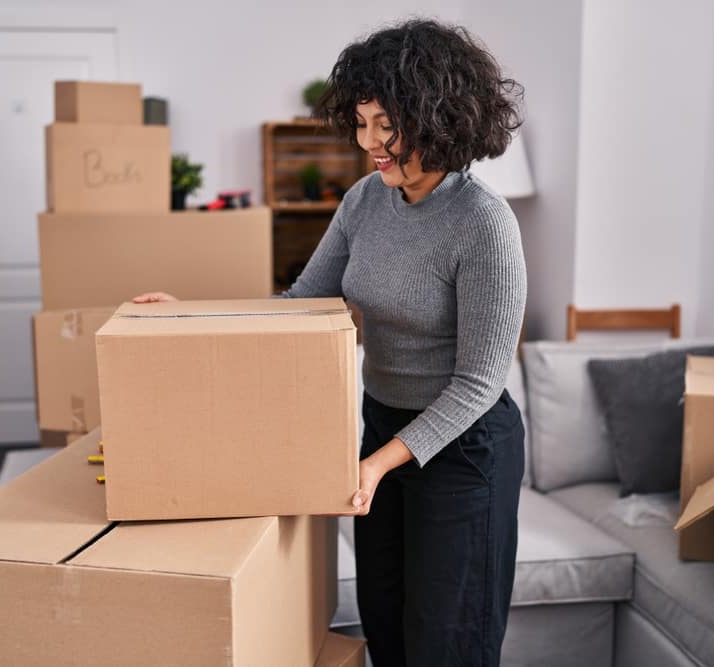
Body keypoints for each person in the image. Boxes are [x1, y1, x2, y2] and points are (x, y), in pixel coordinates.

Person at [135, 19, 526, 666]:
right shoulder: (364, 201)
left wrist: (376, 464)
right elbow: (302, 305)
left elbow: (480, 384)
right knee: (384, 616)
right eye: (362, 122)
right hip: (383, 427)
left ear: (437, 118)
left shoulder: (484, 224)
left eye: (384, 126)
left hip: (462, 450)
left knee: (447, 641)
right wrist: (191, 317)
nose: (366, 141)